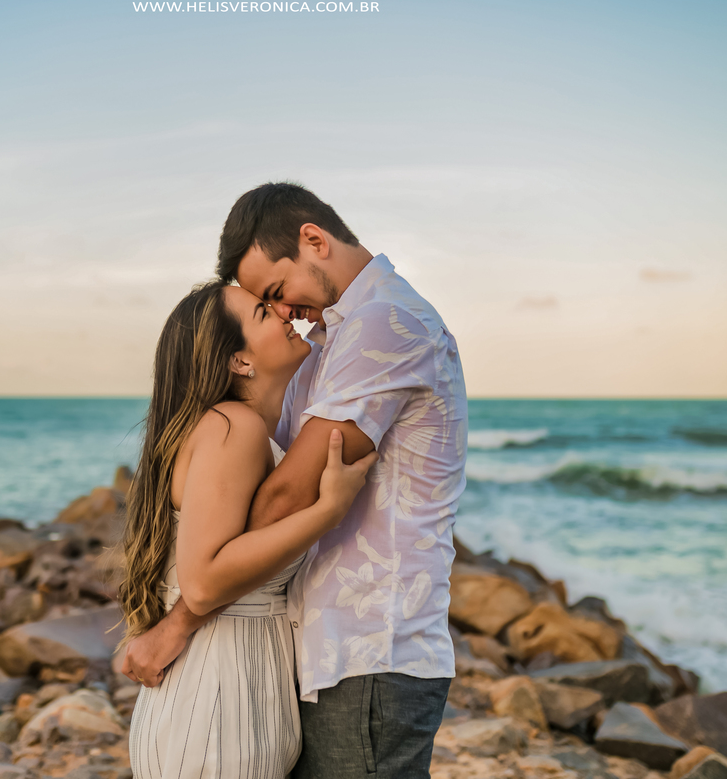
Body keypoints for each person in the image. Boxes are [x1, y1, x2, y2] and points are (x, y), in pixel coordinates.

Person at [122, 182, 469, 779]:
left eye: (276, 294)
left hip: (370, 650)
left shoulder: (387, 323)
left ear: (314, 240)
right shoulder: (327, 343)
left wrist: (180, 620)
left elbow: (289, 493)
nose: (284, 312)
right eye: (266, 306)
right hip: (313, 655)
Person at [122, 279, 378, 779]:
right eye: (264, 311)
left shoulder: (237, 427)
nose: (285, 313)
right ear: (239, 361)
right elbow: (202, 581)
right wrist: (327, 511)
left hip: (231, 687)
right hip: (216, 701)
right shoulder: (232, 425)